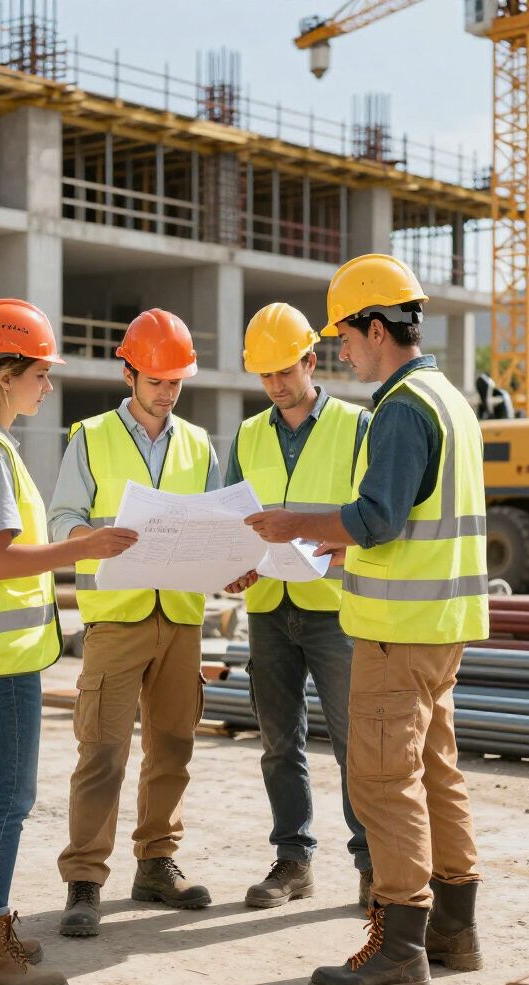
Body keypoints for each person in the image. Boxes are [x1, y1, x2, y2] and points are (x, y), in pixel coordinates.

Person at [246, 254, 488, 985]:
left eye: (345, 335)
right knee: (436, 771)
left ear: (377, 327)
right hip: (440, 623)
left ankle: (399, 949)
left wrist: (300, 523)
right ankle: (454, 927)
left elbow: (377, 519)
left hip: (396, 627)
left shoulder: (401, 408)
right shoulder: (448, 398)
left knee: (383, 781)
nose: (342, 350)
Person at [0, 298, 136, 985]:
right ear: (8, 372)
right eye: (41, 373)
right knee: (5, 802)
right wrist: (85, 546)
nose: (49, 386)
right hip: (2, 654)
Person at [49, 308, 239, 938]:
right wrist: (92, 538)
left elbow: (214, 525)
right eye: (155, 378)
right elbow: (59, 522)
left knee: (174, 748)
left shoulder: (199, 443)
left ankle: (157, 862)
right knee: (101, 751)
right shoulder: (90, 435)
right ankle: (84, 878)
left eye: (175, 380)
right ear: (128, 372)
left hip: (182, 617)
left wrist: (231, 565)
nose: (166, 390)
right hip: (116, 619)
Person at [225, 302, 372, 910]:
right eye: (265, 375)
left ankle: (373, 863)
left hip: (335, 608)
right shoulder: (249, 435)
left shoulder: (357, 426)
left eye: (286, 369)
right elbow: (234, 517)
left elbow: (373, 516)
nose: (277, 384)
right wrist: (231, 563)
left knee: (353, 743)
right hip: (267, 606)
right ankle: (292, 860)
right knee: (279, 744)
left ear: (312, 359)